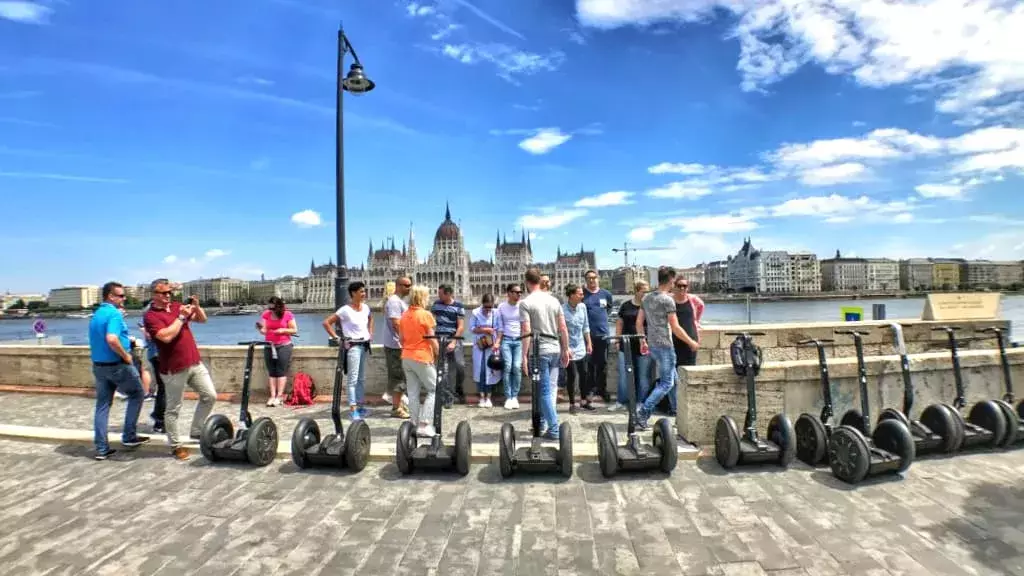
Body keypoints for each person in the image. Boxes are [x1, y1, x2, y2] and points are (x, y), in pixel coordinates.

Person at [143, 278, 216, 460]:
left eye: (169, 292)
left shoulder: (177, 306)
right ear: (154, 294)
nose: (168, 295)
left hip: (194, 362)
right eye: (163, 293)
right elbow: (165, 337)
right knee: (173, 408)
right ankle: (175, 446)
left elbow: (202, 319)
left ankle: (197, 431)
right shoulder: (150, 316)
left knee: (210, 396)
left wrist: (197, 307)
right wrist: (181, 318)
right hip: (173, 369)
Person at [89, 281, 149, 460]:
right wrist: (126, 356)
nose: (125, 298)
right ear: (110, 296)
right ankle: (129, 436)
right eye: (121, 295)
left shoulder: (97, 314)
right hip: (117, 364)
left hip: (99, 366)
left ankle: (101, 449)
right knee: (137, 394)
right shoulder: (114, 314)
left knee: (102, 406)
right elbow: (112, 339)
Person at [635, 267, 699, 430]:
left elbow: (639, 323)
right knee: (666, 383)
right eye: (674, 281)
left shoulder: (647, 298)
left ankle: (678, 413)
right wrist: (691, 342)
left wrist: (643, 341)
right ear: (671, 280)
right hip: (665, 346)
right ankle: (642, 413)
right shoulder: (667, 301)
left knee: (674, 380)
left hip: (653, 345)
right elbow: (675, 327)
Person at [519, 267, 571, 440]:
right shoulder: (554, 301)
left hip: (539, 351)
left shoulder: (526, 303)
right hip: (555, 348)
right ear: (540, 281)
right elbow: (563, 328)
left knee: (543, 391)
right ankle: (540, 423)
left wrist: (524, 356)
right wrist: (565, 349)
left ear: (527, 282)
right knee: (549, 389)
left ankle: (554, 429)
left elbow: (526, 331)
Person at [322, 281, 373, 421]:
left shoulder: (366, 308)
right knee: (353, 379)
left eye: (364, 291)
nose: (364, 294)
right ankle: (353, 409)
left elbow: (370, 319)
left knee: (361, 379)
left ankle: (361, 405)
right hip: (353, 347)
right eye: (361, 291)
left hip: (364, 345)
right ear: (353, 293)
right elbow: (326, 322)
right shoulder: (345, 310)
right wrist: (337, 338)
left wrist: (370, 333)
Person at [400, 285, 440, 438]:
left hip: (406, 357)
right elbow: (431, 339)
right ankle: (424, 424)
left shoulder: (404, 316)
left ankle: (414, 423)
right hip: (422, 356)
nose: (429, 299)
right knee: (434, 389)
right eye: (427, 296)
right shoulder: (425, 315)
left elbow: (402, 339)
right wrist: (438, 353)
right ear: (422, 297)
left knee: (413, 392)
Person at [612, 280, 651, 411]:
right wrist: (617, 340)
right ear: (636, 291)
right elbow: (619, 323)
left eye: (648, 291)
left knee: (643, 375)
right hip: (626, 344)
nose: (646, 294)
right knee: (624, 375)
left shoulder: (650, 307)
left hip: (644, 345)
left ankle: (641, 402)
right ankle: (621, 401)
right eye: (644, 291)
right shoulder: (626, 306)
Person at [257, 296, 298, 407]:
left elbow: (294, 329)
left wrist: (283, 330)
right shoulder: (266, 314)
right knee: (271, 371)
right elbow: (264, 330)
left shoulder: (288, 314)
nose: (271, 310)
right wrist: (261, 329)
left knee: (281, 371)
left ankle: (279, 396)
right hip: (269, 345)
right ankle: (272, 395)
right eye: (269, 308)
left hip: (284, 345)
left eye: (273, 308)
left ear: (278, 307)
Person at [582, 269, 614, 404]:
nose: (592, 280)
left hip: (603, 335)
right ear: (586, 280)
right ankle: (590, 390)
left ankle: (602, 389)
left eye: (594, 277)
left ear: (598, 278)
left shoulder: (606, 294)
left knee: (603, 364)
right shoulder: (582, 294)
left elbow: (609, 309)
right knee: (589, 365)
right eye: (589, 278)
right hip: (587, 336)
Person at [431, 284, 466, 406]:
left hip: (454, 338)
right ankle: (448, 397)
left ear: (448, 294)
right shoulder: (436, 304)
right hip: (440, 339)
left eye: (440, 294)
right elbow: (432, 323)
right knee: (444, 370)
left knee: (459, 366)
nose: (438, 296)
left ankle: (458, 388)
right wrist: (434, 340)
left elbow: (461, 326)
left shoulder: (459, 306)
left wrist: (454, 341)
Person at [562, 283, 594, 414]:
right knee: (572, 375)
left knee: (584, 374)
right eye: (580, 294)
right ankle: (572, 403)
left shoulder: (582, 307)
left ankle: (583, 401)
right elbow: (561, 331)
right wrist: (565, 348)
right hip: (569, 348)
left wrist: (589, 343)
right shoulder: (562, 310)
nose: (582, 295)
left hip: (581, 346)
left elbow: (585, 326)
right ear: (571, 295)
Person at [382, 276, 411, 418]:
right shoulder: (394, 302)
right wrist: (407, 340)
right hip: (396, 345)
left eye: (410, 285)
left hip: (397, 344)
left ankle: (398, 404)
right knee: (398, 376)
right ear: (398, 286)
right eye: (406, 285)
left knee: (400, 376)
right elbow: (396, 323)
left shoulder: (399, 301)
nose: (409, 288)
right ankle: (396, 408)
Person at [493, 283, 523, 409]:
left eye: (520, 292)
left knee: (516, 367)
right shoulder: (501, 307)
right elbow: (500, 326)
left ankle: (514, 396)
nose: (519, 294)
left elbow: (525, 325)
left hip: (519, 340)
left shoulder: (522, 306)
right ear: (509, 293)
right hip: (506, 339)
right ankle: (508, 396)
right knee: (508, 367)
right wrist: (497, 342)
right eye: (516, 292)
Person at [469, 294, 501, 408]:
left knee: (491, 372)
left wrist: (497, 343)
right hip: (480, 345)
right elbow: (471, 328)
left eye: (490, 307)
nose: (488, 309)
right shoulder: (475, 313)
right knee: (480, 372)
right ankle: (482, 397)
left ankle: (489, 397)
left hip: (492, 346)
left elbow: (500, 329)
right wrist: (485, 329)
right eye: (486, 307)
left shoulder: (496, 313)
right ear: (482, 304)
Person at [139, 300, 166, 433]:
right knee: (164, 388)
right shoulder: (152, 311)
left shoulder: (148, 311)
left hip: (154, 354)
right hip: (159, 354)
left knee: (163, 388)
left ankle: (159, 419)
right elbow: (152, 336)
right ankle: (160, 420)